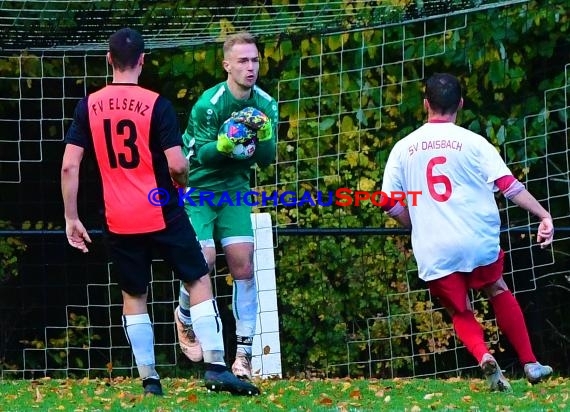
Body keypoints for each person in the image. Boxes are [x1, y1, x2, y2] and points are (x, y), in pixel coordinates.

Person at [61, 27, 259, 396]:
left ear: (109, 60)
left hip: (117, 217)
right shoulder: (156, 105)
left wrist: (72, 218)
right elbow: (178, 165)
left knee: (134, 294)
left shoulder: (88, 105)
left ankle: (150, 380)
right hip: (160, 208)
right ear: (142, 62)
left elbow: (70, 165)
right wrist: (181, 187)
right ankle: (217, 366)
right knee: (198, 278)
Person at [380, 73, 554, 392]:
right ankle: (530, 362)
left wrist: (415, 224)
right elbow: (508, 186)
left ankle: (484, 355)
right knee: (497, 288)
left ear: (425, 105)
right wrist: (543, 214)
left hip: (434, 245)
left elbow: (386, 201)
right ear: (460, 103)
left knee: (459, 310)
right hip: (478, 239)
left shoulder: (403, 148)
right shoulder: (474, 143)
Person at [174, 31, 278, 381]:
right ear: (227, 65)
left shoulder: (265, 104)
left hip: (234, 190)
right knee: (202, 259)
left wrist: (262, 137)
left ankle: (244, 354)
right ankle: (184, 317)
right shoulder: (209, 103)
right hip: (199, 188)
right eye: (244, 61)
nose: (251, 67)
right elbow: (198, 156)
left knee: (243, 264)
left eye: (255, 60)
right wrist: (224, 143)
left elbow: (266, 159)